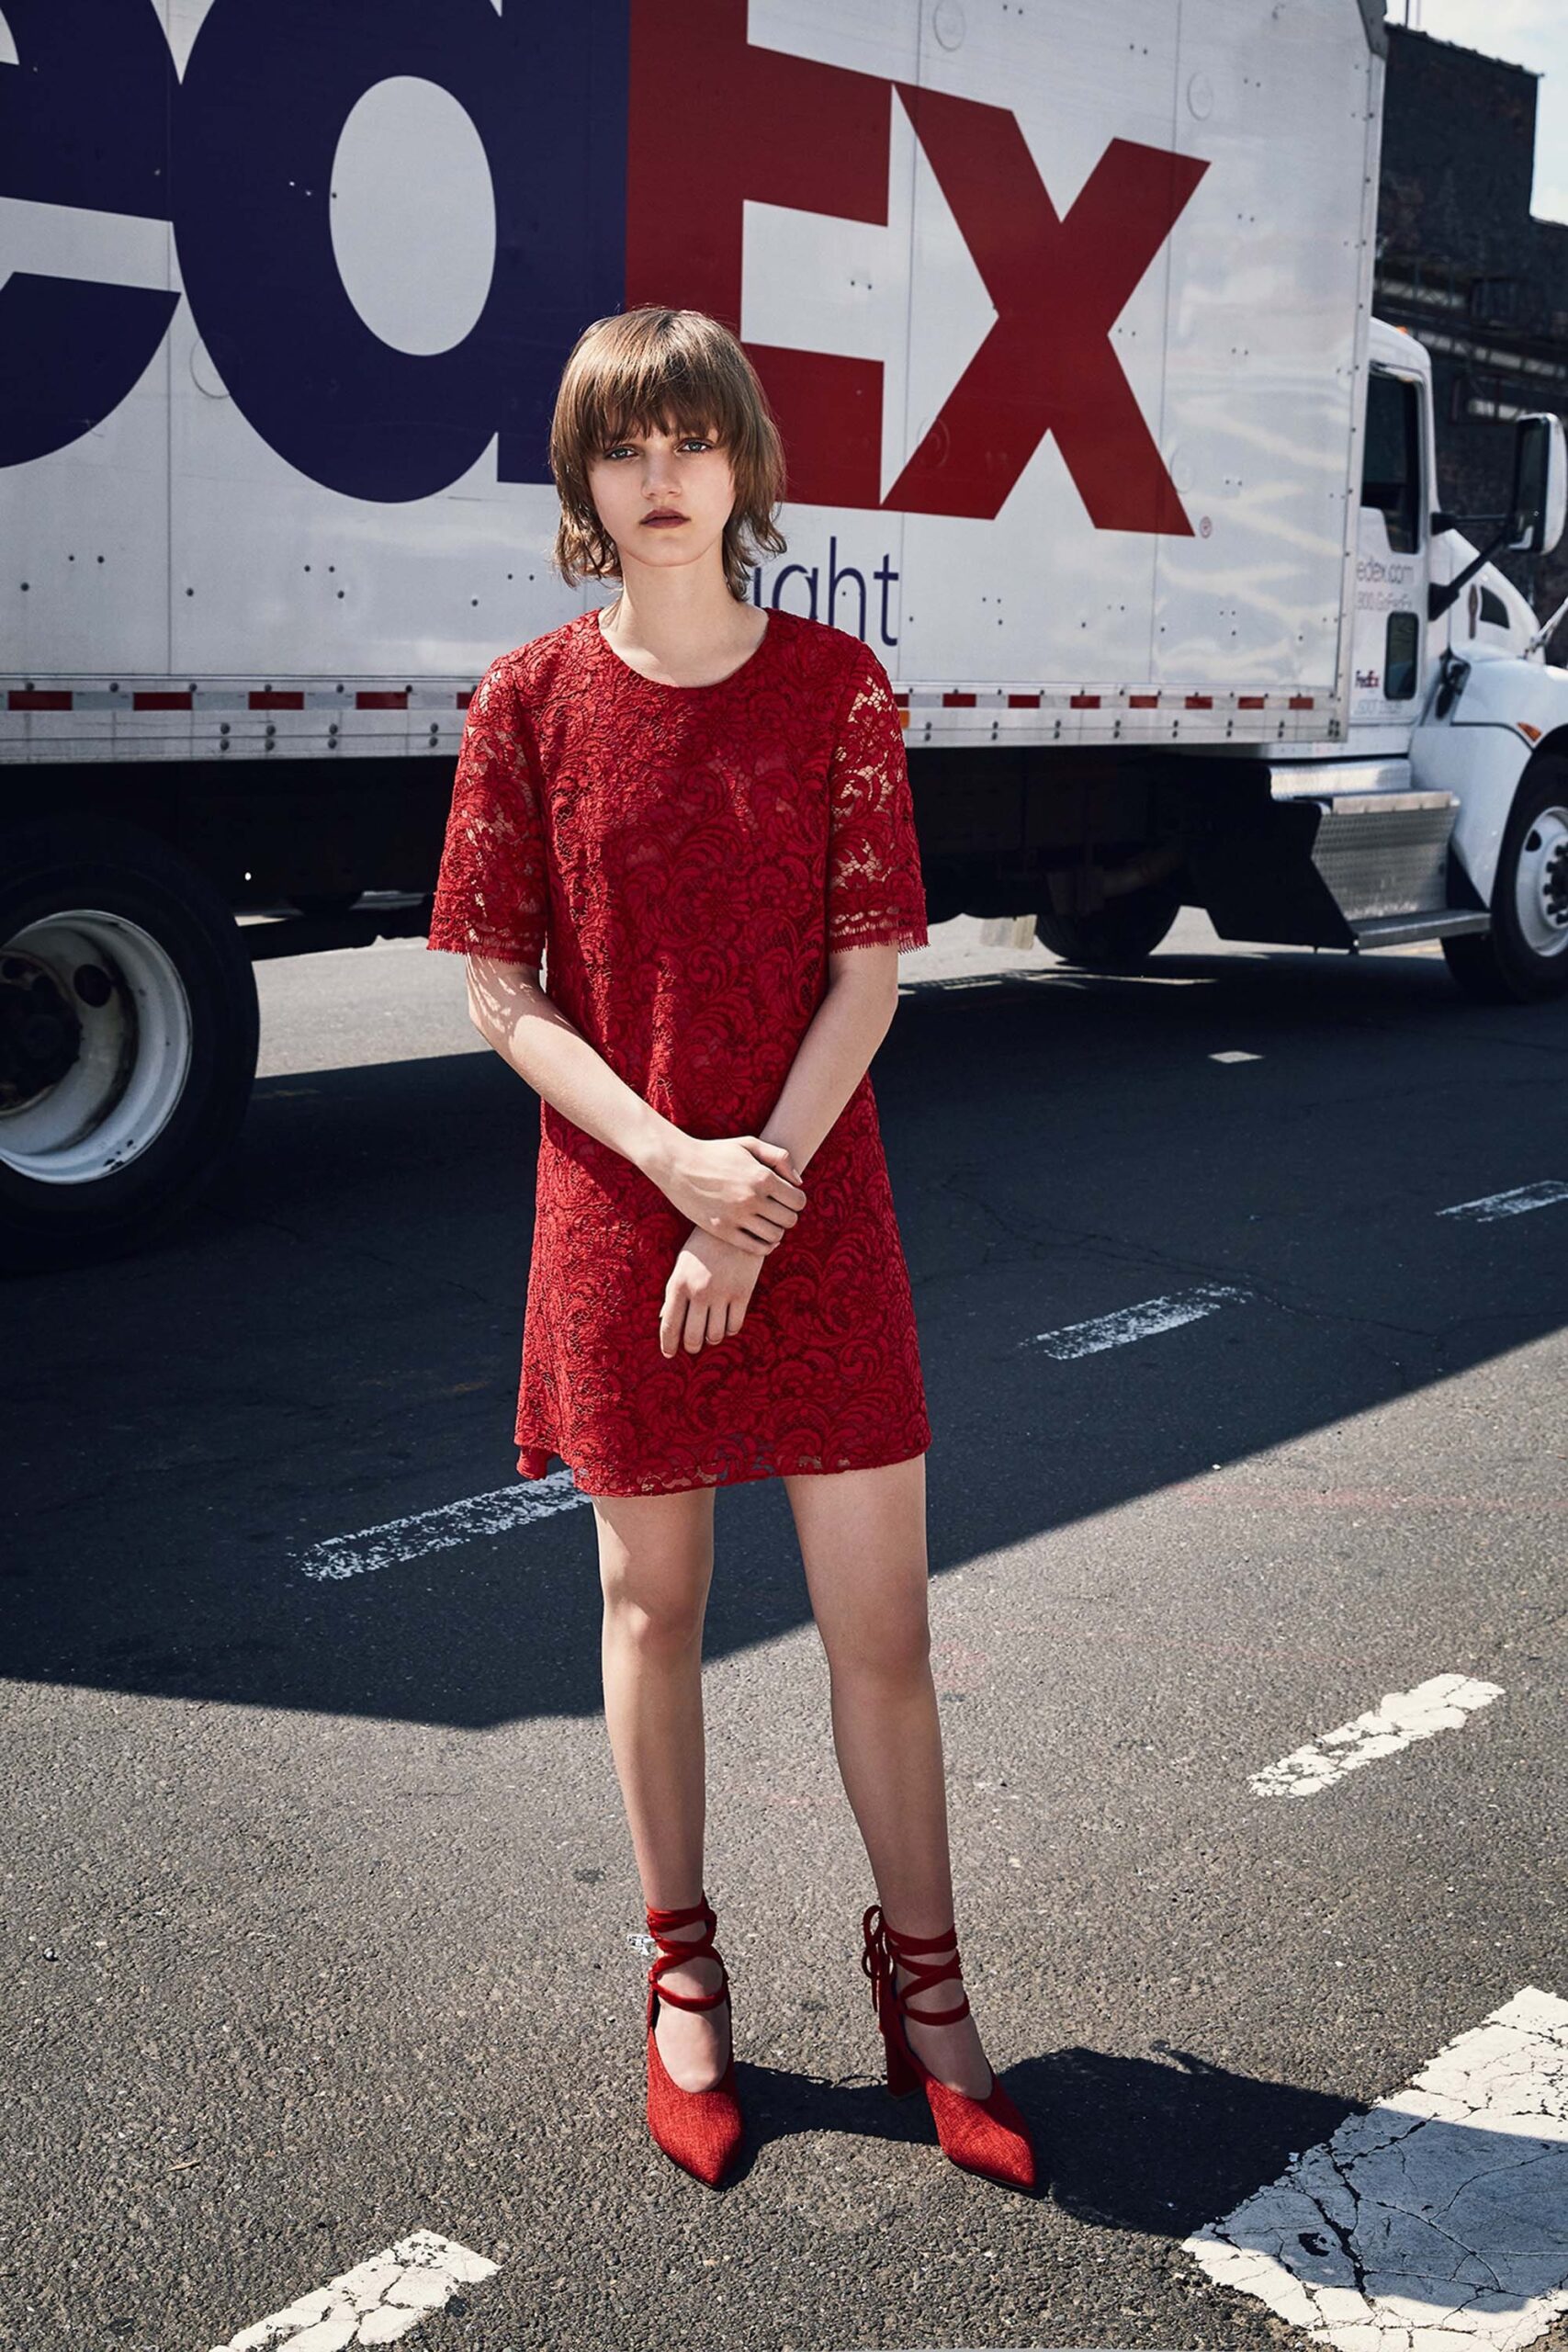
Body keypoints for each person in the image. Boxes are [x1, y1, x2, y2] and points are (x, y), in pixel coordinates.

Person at [425, 306, 1036, 2194]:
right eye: (624, 445)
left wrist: (750, 1188)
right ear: (583, 481)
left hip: (810, 1200)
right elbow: (493, 987)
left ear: (744, 464)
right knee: (649, 1610)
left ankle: (927, 1998)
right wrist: (675, 1168)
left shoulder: (835, 687)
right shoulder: (524, 701)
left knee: (886, 1635)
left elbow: (870, 970)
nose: (660, 473)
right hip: (623, 1208)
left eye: (692, 438)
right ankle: (678, 1976)